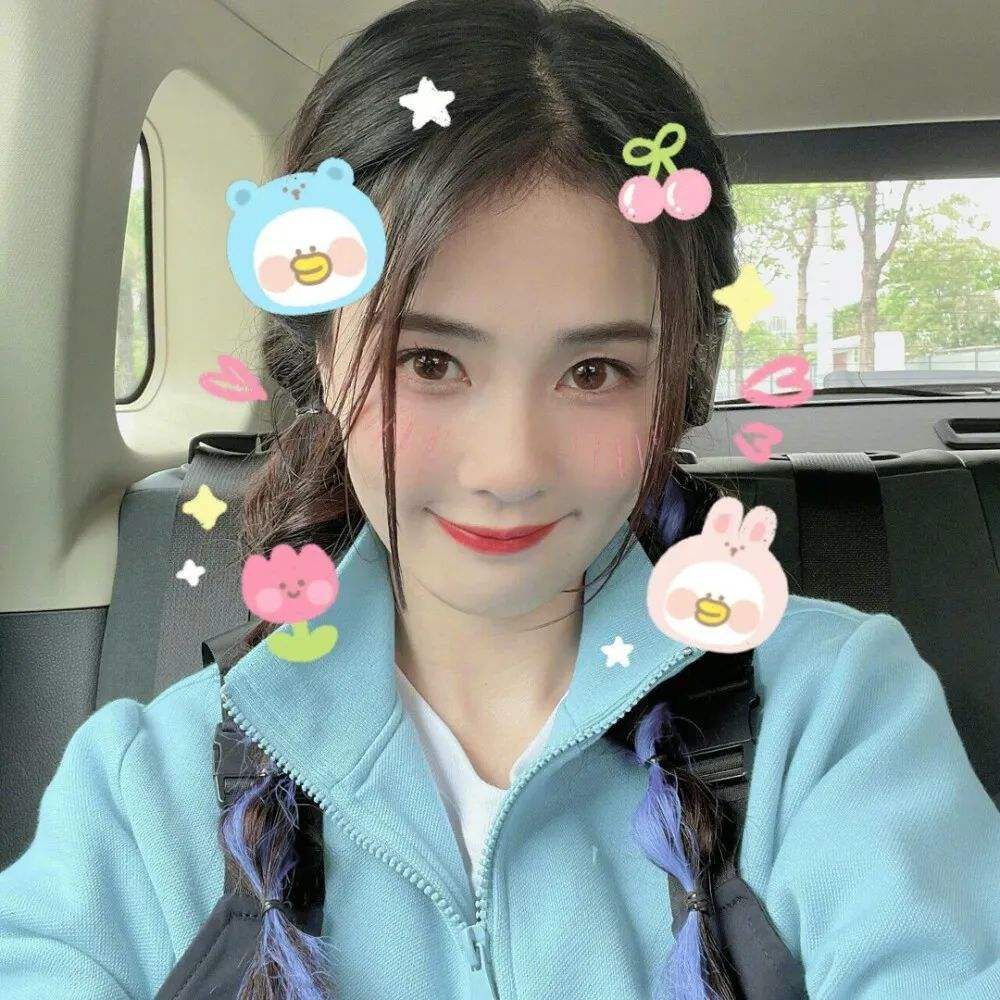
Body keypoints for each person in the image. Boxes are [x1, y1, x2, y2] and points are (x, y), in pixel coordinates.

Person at [1, 1, 998, 998]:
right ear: (320, 358)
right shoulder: (143, 792)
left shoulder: (832, 718)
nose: (510, 466)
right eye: (430, 361)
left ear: (677, 385)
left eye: (595, 372)